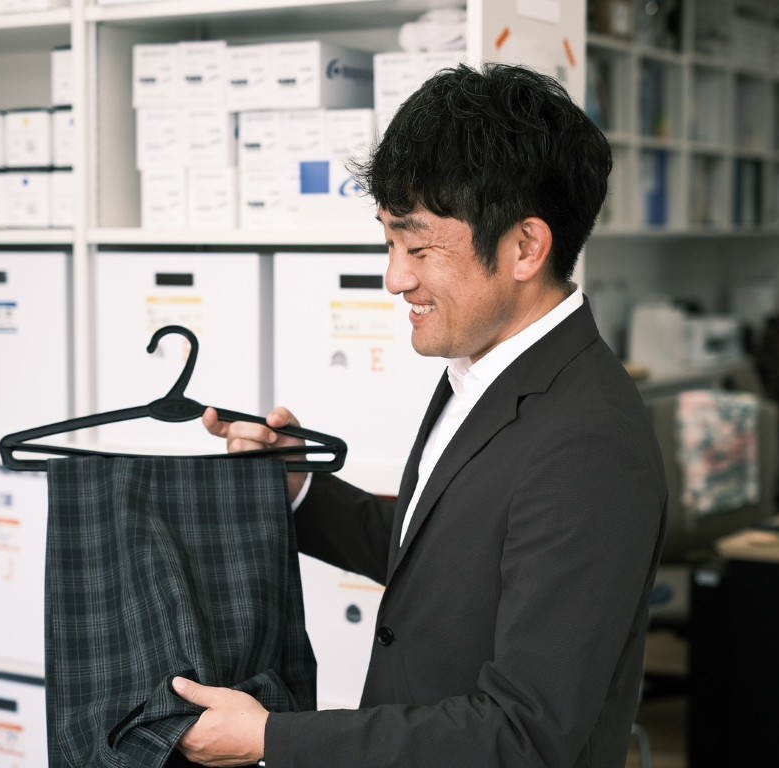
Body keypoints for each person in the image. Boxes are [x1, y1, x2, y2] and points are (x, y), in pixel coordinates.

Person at [176, 62, 668, 767]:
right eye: (389, 242)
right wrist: (300, 489)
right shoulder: (483, 369)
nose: (395, 277)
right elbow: (445, 564)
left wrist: (271, 738)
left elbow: (525, 734)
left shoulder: (591, 443)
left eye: (419, 247)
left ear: (525, 247)